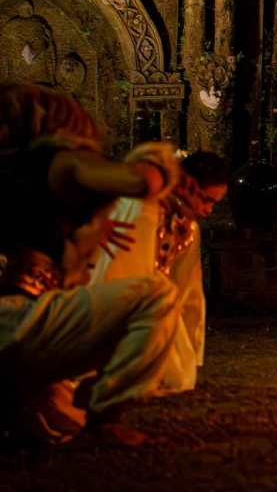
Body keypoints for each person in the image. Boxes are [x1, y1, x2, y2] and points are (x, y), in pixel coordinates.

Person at [0, 84, 183, 446]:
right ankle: (106, 417)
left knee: (58, 419)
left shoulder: (12, 174)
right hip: (14, 322)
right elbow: (139, 181)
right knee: (155, 296)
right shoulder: (59, 161)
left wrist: (90, 223)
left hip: (18, 323)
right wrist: (157, 162)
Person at [85, 151, 228, 392]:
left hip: (157, 306)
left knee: (175, 378)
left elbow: (188, 287)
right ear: (186, 186)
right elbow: (120, 272)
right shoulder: (140, 212)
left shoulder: (188, 229)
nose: (208, 210)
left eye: (214, 203)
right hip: (119, 303)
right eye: (206, 199)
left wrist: (190, 347)